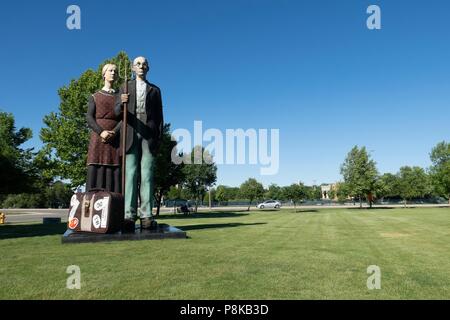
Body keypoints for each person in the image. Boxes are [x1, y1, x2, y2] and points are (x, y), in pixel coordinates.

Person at [115, 56, 164, 231]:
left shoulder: (155, 90)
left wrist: (159, 139)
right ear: (132, 68)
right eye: (138, 64)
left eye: (144, 64)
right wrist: (122, 103)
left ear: (148, 68)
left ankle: (146, 216)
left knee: (147, 176)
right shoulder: (124, 87)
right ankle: (128, 215)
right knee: (130, 174)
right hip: (130, 132)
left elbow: (159, 118)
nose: (141, 66)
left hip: (149, 135)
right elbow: (116, 112)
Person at [86, 63, 121, 193]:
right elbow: (89, 118)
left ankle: (114, 206)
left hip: (116, 140)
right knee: (96, 165)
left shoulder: (121, 97)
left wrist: (115, 132)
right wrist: (101, 132)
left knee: (115, 169)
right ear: (104, 74)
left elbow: (124, 118)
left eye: (115, 71)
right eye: (110, 70)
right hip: (98, 138)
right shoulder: (94, 96)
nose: (113, 73)